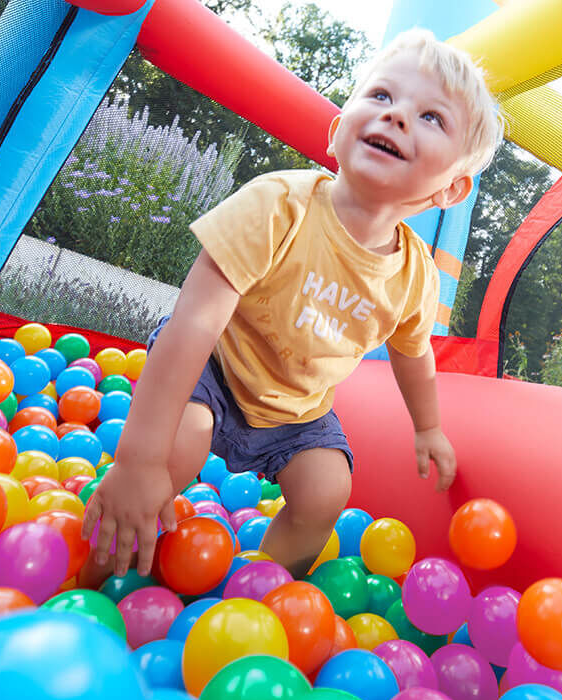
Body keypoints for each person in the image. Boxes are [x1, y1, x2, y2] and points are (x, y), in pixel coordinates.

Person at [81, 28, 502, 582]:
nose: (396, 116)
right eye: (381, 96)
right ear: (336, 132)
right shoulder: (279, 204)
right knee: (176, 446)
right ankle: (95, 577)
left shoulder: (415, 274)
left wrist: (428, 428)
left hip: (297, 411)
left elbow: (413, 353)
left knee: (327, 491)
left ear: (450, 190)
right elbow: (196, 321)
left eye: (432, 117)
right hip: (216, 370)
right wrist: (139, 459)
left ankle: (254, 596)